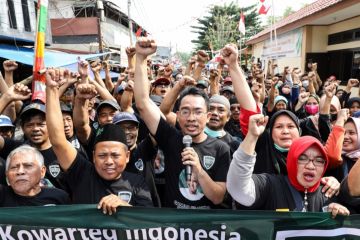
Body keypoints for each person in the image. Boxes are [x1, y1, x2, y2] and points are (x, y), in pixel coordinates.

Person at [134, 37, 230, 209]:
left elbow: (217, 197)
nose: (191, 118)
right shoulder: (170, 139)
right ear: (177, 116)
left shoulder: (221, 149)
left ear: (207, 116)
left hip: (206, 231)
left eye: (198, 112)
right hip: (174, 229)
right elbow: (142, 103)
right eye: (185, 111)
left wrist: (198, 170)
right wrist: (141, 58)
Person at [45, 68, 153, 215]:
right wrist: (51, 89)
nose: (109, 161)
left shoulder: (137, 183)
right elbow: (57, 140)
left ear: (127, 156)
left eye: (115, 155)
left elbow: (150, 221)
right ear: (94, 156)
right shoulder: (81, 173)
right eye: (102, 155)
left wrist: (125, 207)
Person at [227, 114, 350, 217]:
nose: (311, 166)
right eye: (302, 158)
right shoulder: (269, 185)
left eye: (319, 160)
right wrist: (252, 136)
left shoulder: (329, 192)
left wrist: (336, 212)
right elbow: (238, 189)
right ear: (291, 160)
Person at [0, 145, 70, 207]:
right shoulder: (2, 195)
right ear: (7, 174)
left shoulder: (59, 197)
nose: (20, 171)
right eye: (14, 167)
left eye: (28, 166)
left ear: (42, 171)